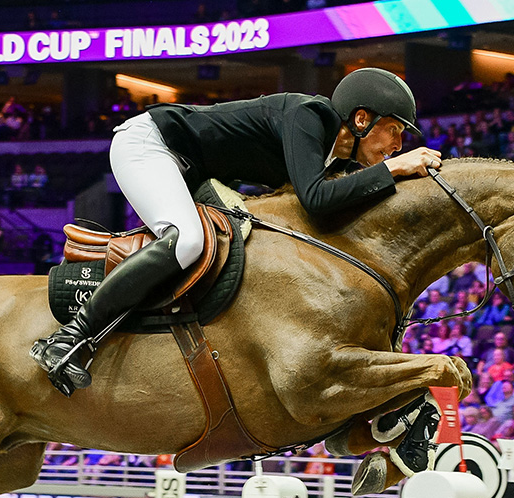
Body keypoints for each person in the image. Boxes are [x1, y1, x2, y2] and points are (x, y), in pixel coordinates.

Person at [30, 69, 438, 407]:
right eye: (393, 130)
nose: (399, 145)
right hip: (153, 146)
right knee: (187, 241)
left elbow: (328, 204)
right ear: (362, 119)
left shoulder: (336, 155)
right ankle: (71, 337)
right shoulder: (309, 116)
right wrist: (396, 169)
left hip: (194, 172)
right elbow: (315, 200)